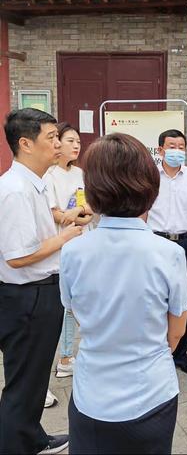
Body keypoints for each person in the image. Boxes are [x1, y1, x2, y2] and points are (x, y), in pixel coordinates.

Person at [61, 133, 187, 453]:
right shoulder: (169, 254)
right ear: (150, 188)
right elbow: (176, 333)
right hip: (151, 394)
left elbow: (77, 313)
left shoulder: (72, 252)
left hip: (92, 396)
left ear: (92, 191)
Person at [0, 108, 82, 454]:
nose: (58, 145)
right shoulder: (16, 189)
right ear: (25, 143)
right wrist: (65, 238)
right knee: (24, 382)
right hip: (27, 297)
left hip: (36, 293)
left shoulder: (33, 183)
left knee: (33, 380)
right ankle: (14, 446)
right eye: (50, 138)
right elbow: (18, 256)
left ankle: (30, 437)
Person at [147, 129, 187, 375]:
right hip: (154, 241)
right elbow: (142, 210)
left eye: (181, 146)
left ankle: (180, 353)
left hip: (185, 243)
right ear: (161, 149)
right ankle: (155, 349)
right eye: (171, 146)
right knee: (153, 297)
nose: (177, 150)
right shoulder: (150, 177)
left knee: (183, 299)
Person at [44, 122, 93, 380]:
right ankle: (65, 357)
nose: (76, 145)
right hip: (64, 248)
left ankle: (78, 352)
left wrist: (77, 216)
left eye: (78, 142)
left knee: (83, 302)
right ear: (57, 143)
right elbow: (56, 215)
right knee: (68, 306)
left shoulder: (80, 173)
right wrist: (75, 215)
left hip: (85, 243)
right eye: (70, 141)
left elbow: (89, 209)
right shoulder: (49, 176)